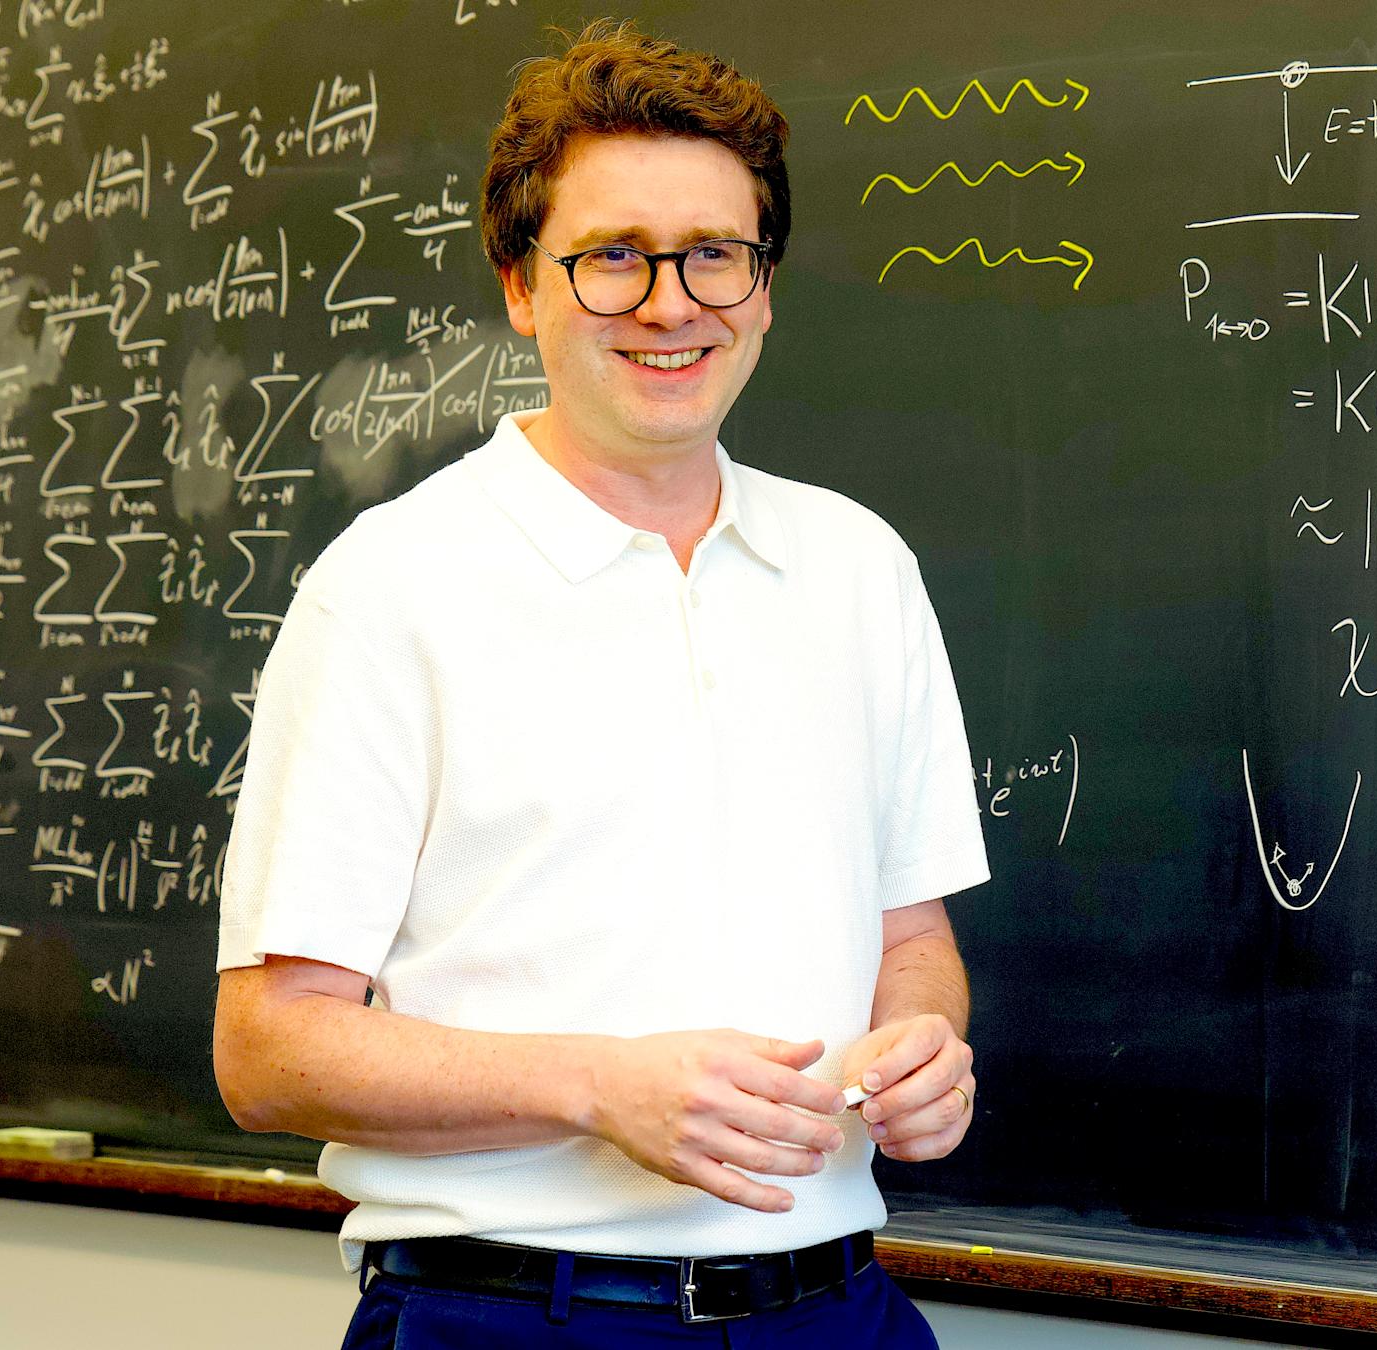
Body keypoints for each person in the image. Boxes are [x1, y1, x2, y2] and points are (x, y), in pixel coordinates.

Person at [211, 20, 987, 1347]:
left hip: (837, 1309)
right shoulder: (392, 586)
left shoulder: (860, 567)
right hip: (515, 1314)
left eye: (714, 255)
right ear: (523, 287)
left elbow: (911, 940)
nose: (672, 304)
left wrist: (923, 1047)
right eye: (613, 256)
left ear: (764, 285)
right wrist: (597, 1088)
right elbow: (268, 1050)